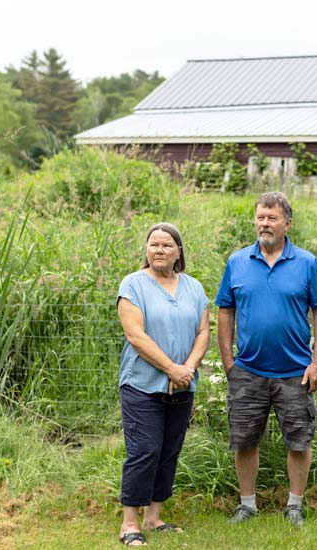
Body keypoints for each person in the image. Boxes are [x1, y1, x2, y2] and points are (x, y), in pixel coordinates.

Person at [215, 191, 317, 527]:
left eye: (272, 218)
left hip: (296, 372)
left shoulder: (307, 263)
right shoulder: (236, 262)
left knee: (298, 441)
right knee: (244, 440)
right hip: (248, 371)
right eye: (260, 218)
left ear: (287, 223)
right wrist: (228, 363)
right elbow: (226, 311)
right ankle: (247, 505)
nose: (264, 224)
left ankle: (294, 505)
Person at [116, 222, 210, 546]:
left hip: (183, 385)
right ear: (146, 249)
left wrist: (188, 369)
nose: (159, 250)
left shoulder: (194, 288)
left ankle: (154, 518)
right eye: (154, 244)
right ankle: (130, 524)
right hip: (142, 385)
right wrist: (172, 368)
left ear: (178, 252)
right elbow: (135, 335)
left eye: (167, 245)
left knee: (169, 451)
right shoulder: (133, 285)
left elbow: (203, 333)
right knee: (144, 451)